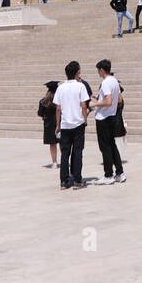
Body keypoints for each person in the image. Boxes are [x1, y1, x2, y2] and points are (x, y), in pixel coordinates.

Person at [89, 60, 125, 184]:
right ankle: (120, 173)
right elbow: (119, 99)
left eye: (98, 71)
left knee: (105, 147)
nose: (98, 73)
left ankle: (108, 175)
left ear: (102, 70)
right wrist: (100, 100)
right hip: (112, 117)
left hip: (103, 118)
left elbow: (108, 101)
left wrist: (95, 103)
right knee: (112, 145)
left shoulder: (105, 83)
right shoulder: (114, 81)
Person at [54, 61, 89, 190]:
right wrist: (85, 119)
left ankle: (64, 181)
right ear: (76, 73)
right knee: (78, 152)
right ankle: (77, 180)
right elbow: (84, 106)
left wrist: (57, 125)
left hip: (65, 125)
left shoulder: (60, 87)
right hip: (78, 123)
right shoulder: (80, 86)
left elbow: (58, 109)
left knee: (65, 153)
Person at [38, 80, 60, 168]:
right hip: (60, 123)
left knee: (52, 144)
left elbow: (40, 113)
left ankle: (54, 162)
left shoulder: (43, 101)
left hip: (49, 124)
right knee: (62, 143)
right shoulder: (59, 100)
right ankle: (65, 160)